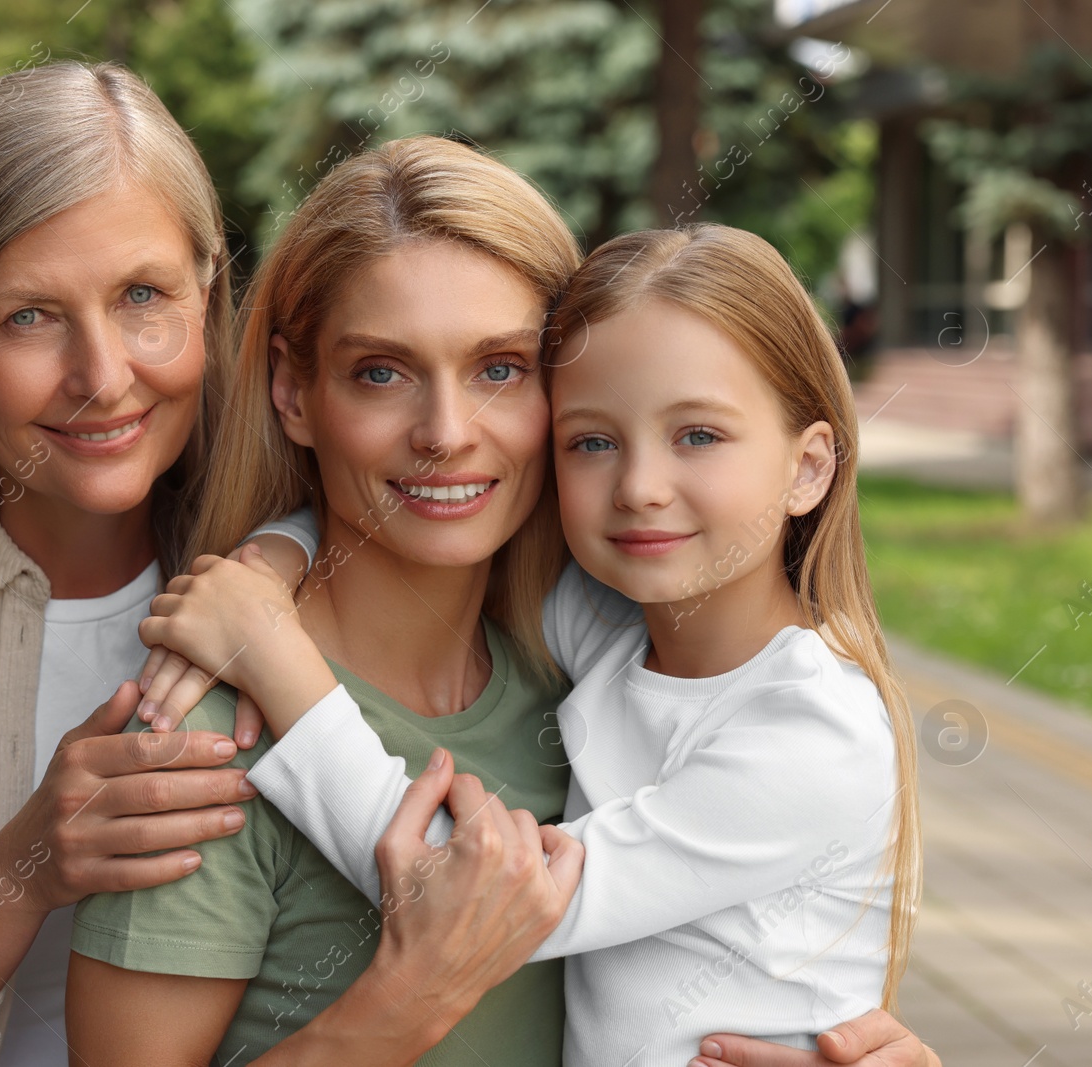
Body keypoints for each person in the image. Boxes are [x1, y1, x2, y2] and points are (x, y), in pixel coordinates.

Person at [0, 63, 562, 1067]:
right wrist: (24, 866)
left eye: (142, 296)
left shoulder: (328, 567)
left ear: (207, 292)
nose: (104, 377)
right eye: (29, 315)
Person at [68, 136, 938, 1067]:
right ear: (292, 389)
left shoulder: (565, 654)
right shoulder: (215, 729)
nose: (446, 433)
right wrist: (271, 563)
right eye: (380, 372)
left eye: (500, 369)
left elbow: (491, 899)